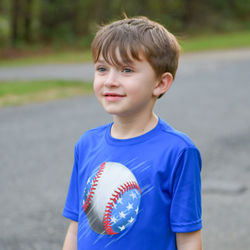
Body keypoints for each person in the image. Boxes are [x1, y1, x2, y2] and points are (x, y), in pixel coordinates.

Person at [62, 16, 202, 250]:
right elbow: (75, 227)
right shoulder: (87, 144)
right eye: (102, 69)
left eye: (126, 70)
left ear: (160, 83)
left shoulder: (178, 151)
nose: (110, 81)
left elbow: (188, 238)